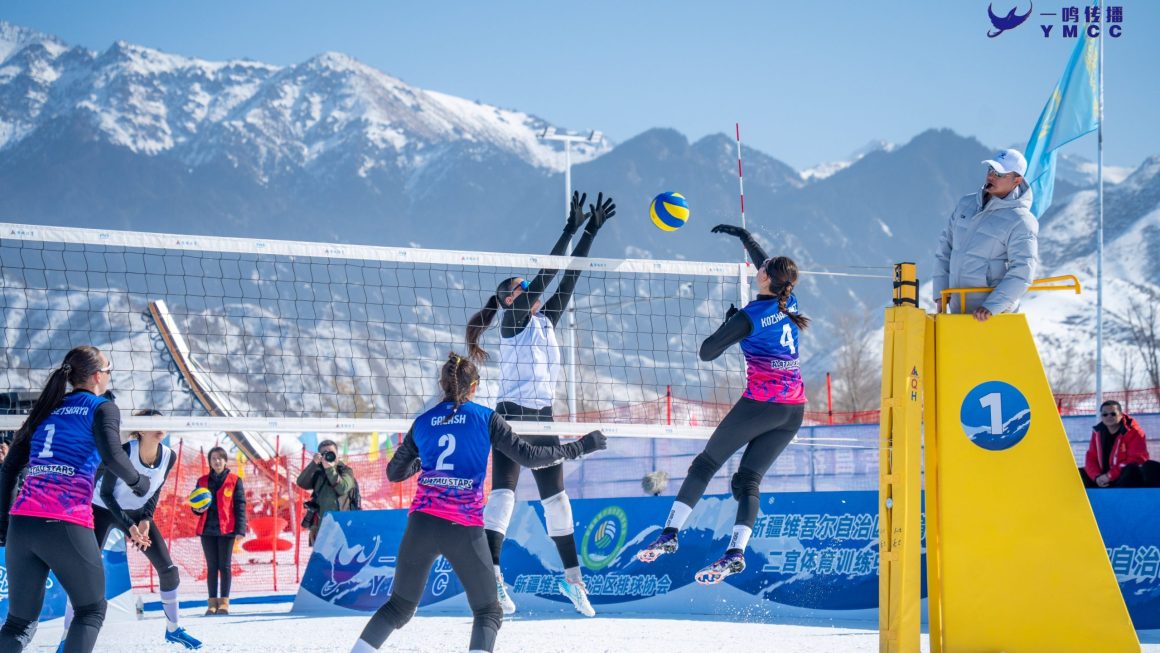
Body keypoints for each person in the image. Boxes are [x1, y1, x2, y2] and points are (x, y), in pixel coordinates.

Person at [350, 353, 606, 653]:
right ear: (475, 386)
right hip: (463, 528)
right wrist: (581, 446)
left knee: (399, 607)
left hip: (421, 523)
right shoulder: (485, 418)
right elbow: (529, 458)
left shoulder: (422, 423)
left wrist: (423, 462)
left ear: (442, 385)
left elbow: (395, 472)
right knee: (488, 611)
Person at [465, 190, 615, 616]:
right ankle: (492, 577)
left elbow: (570, 278)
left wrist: (590, 231)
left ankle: (573, 582)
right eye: (520, 288)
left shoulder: (544, 320)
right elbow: (547, 275)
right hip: (510, 417)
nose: (527, 290)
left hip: (544, 418)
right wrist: (568, 228)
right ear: (510, 300)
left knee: (557, 501)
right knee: (504, 497)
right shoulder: (513, 322)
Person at [635, 225, 809, 585]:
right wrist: (746, 239)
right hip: (794, 410)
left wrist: (731, 325)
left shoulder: (752, 316)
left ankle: (669, 534)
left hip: (762, 404)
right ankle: (736, 553)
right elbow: (767, 263)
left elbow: (707, 352)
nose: (758, 269)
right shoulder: (787, 301)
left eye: (762, 269)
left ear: (767, 279)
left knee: (705, 464)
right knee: (747, 480)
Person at [0, 346, 150, 653]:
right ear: (97, 376)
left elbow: (8, 471)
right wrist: (138, 481)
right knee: (91, 610)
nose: (109, 376)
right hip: (63, 519)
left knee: (18, 625)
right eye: (109, 371)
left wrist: (4, 525)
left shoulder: (45, 408)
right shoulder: (101, 407)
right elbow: (113, 454)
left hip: (22, 524)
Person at [56, 409, 201, 651]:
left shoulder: (169, 456)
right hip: (102, 509)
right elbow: (105, 494)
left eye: (162, 422)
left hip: (137, 512)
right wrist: (130, 526)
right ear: (141, 430)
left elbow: (155, 491)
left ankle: (173, 630)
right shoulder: (126, 451)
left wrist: (145, 519)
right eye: (152, 423)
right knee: (84, 575)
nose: (160, 427)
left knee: (169, 571)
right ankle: (66, 637)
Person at [932, 148, 1038, 321]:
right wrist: (940, 291)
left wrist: (992, 306)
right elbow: (946, 247)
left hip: (993, 317)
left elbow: (1023, 271)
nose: (991, 176)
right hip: (958, 310)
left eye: (1000, 174)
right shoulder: (966, 203)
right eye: (990, 170)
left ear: (1017, 180)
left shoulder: (1022, 220)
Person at [192, 446, 247, 616]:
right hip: (207, 529)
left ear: (225, 461)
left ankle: (224, 603)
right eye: (213, 458)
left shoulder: (235, 480)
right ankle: (211, 603)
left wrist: (240, 529)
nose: (216, 461)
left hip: (227, 530)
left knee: (225, 566)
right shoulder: (202, 481)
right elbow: (195, 504)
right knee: (211, 567)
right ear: (209, 461)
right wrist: (197, 510)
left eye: (219, 458)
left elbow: (240, 506)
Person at [1081, 400, 1160, 488]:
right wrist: (1096, 477)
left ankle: (1125, 499)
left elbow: (1137, 459)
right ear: (1101, 416)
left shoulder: (1134, 432)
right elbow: (1091, 458)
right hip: (1103, 478)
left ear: (1121, 414)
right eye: (1105, 414)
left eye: (1113, 414)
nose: (1109, 417)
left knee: (1132, 469)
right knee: (1077, 474)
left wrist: (1110, 475)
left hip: (1123, 478)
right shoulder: (1097, 432)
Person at [296, 438, 356, 545]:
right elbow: (301, 483)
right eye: (324, 453)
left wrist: (330, 469)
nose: (328, 456)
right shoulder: (318, 472)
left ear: (337, 454)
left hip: (343, 525)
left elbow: (342, 488)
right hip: (321, 526)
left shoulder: (346, 471)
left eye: (331, 453)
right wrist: (313, 464)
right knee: (322, 560)